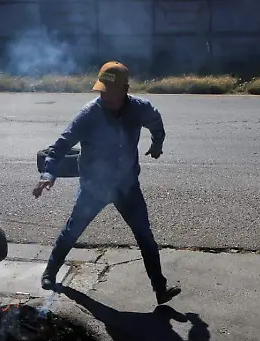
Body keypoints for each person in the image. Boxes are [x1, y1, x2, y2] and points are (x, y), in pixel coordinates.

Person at [32, 61, 181, 305]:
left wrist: (157, 145)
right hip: (94, 188)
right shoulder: (89, 114)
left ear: (125, 89)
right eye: (101, 90)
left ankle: (160, 289)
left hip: (127, 188)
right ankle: (49, 273)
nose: (104, 96)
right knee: (72, 231)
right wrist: (48, 175)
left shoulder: (140, 108)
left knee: (145, 237)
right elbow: (60, 145)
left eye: (109, 92)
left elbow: (156, 122)